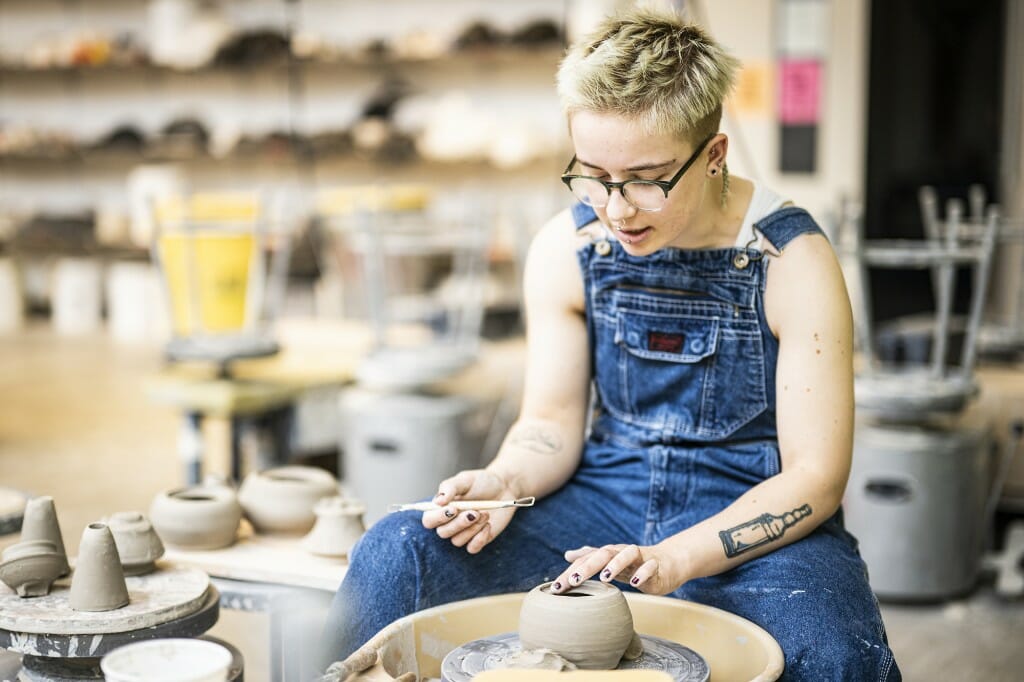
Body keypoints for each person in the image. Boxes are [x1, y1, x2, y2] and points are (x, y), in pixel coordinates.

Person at [322, 7, 901, 680]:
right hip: (604, 493)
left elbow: (815, 479)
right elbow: (550, 424)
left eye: (648, 180)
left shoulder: (790, 260)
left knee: (836, 656)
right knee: (395, 554)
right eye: (594, 174)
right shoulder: (567, 248)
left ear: (713, 156)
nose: (616, 207)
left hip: (750, 507)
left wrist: (679, 558)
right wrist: (504, 484)